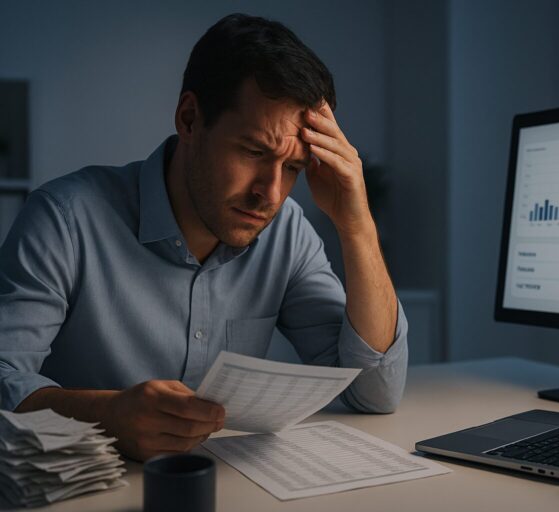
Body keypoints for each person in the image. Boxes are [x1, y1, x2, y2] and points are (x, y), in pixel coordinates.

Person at [0, 13, 407, 461]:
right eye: (254, 151)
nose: (270, 193)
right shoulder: (63, 219)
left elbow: (375, 392)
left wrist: (356, 225)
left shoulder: (287, 231)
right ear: (190, 119)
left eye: (293, 167)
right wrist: (106, 416)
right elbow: (4, 374)